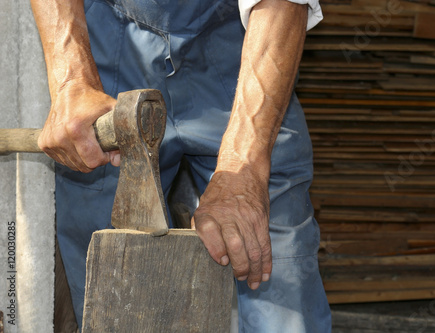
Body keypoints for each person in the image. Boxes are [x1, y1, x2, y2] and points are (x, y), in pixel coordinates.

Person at [30, 0, 332, 331]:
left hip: (244, 43)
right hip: (110, 44)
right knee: (107, 273)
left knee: (271, 261)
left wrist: (245, 170)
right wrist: (71, 80)